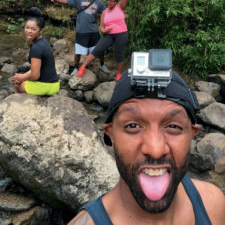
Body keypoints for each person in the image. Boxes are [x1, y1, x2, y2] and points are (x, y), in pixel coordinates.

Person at [68, 70, 225, 225]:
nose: (155, 150)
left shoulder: (212, 204)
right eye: (133, 125)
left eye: (173, 126)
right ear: (111, 134)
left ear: (193, 133)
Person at [77, 0, 131, 81]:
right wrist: (104, 30)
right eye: (108, 0)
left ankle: (119, 74)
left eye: (111, 1)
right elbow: (101, 26)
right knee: (97, 50)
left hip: (121, 34)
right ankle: (82, 67)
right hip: (108, 35)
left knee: (119, 53)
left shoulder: (120, 7)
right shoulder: (104, 12)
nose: (109, 2)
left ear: (116, 2)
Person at [49, 0, 109, 76]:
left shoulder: (99, 2)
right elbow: (66, 1)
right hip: (81, 31)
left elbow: (106, 13)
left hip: (93, 31)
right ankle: (76, 67)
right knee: (78, 52)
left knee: (100, 50)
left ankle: (102, 64)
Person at [10, 7, 60, 95]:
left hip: (45, 87)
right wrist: (23, 76)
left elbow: (35, 75)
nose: (29, 31)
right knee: (20, 78)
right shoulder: (44, 42)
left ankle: (16, 105)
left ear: (40, 31)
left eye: (33, 29)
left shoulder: (36, 47)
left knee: (17, 85)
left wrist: (22, 77)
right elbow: (37, 68)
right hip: (54, 85)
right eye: (27, 27)